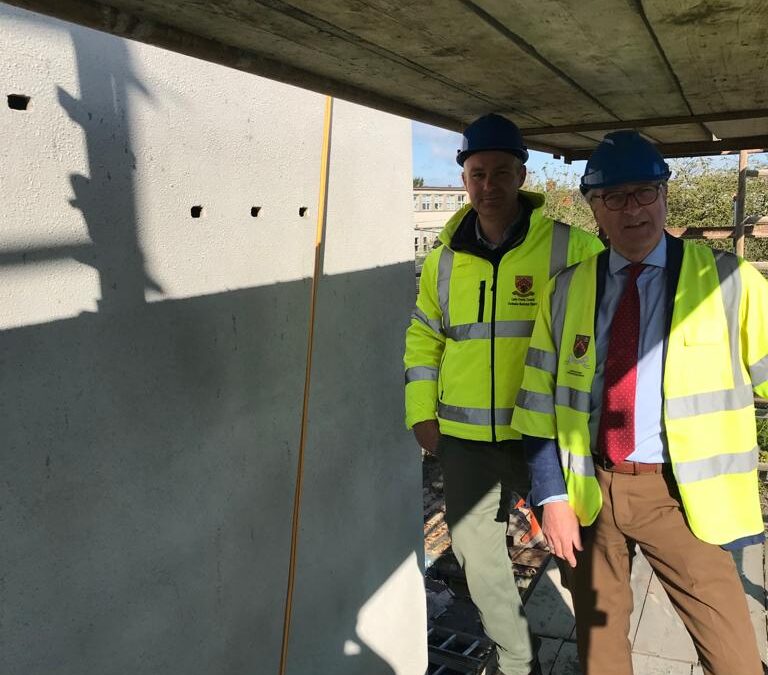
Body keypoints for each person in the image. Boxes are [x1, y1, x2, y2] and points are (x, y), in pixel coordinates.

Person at [512, 130, 768, 675]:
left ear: (665, 195)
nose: (632, 210)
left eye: (644, 193)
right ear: (594, 210)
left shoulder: (730, 282)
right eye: (614, 197)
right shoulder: (566, 289)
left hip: (680, 498)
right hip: (590, 494)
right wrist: (550, 496)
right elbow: (536, 404)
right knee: (600, 651)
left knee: (733, 655)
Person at [404, 113, 603, 675]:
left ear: (522, 174)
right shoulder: (443, 259)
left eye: (500, 172)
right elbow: (424, 335)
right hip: (464, 439)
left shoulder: (572, 247)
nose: (488, 186)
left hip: (542, 435)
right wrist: (421, 412)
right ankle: (519, 664)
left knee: (577, 548)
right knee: (480, 561)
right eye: (477, 173)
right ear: (464, 178)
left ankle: (600, 651)